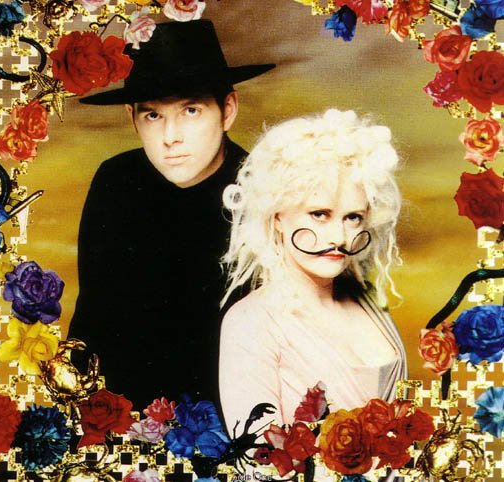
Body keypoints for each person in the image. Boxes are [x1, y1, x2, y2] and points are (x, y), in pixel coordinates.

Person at [68, 20, 275, 410]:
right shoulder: (116, 181)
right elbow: (92, 320)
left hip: (238, 415)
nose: (170, 137)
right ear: (131, 117)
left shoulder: (269, 191)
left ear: (227, 111)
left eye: (190, 110)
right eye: (153, 116)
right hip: (127, 416)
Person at [219, 109, 407, 431]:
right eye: (320, 214)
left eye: (353, 217)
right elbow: (255, 456)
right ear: (277, 215)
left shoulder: (368, 302)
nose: (339, 238)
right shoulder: (251, 322)